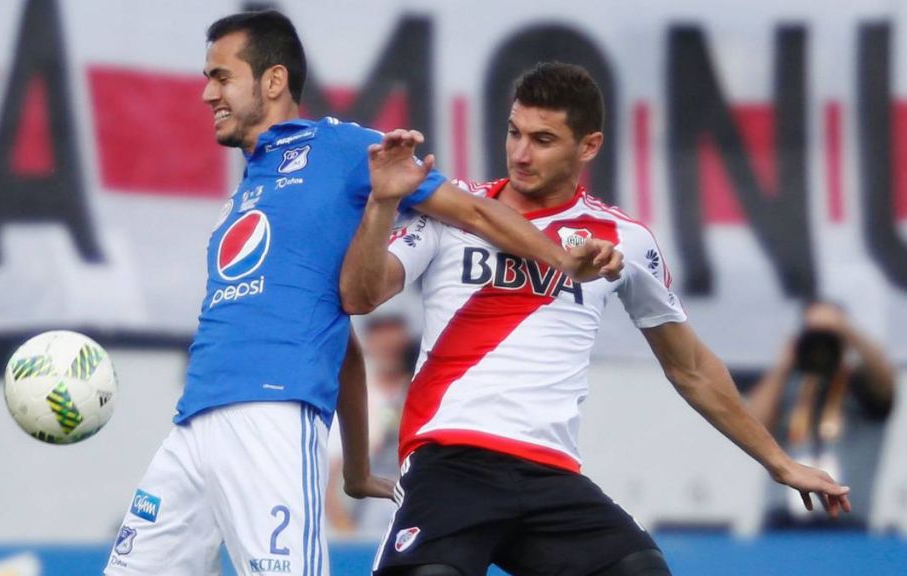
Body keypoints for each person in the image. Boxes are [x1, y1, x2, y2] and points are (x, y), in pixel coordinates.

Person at [104, 11, 619, 576]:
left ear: (273, 81)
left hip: (271, 417)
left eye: (221, 77)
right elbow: (339, 336)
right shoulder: (248, 187)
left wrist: (562, 259)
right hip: (192, 423)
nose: (207, 93)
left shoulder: (345, 147)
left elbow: (474, 212)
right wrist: (354, 469)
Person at [339, 62, 853, 576]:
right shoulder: (452, 210)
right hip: (448, 460)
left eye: (543, 140)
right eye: (515, 133)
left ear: (589, 146)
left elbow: (691, 367)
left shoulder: (624, 239)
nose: (520, 154)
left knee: (642, 571)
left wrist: (779, 462)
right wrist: (383, 203)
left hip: (548, 472)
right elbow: (362, 296)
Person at [747, 301, 896, 530]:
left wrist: (846, 331)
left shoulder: (861, 386)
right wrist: (786, 360)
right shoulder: (786, 387)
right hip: (782, 520)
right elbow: (751, 424)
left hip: (846, 520)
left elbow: (885, 383)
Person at [327, 315, 417, 537]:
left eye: (394, 330)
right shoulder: (348, 397)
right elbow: (330, 476)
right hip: (362, 520)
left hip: (414, 511)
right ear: (367, 340)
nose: (388, 341)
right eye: (380, 332)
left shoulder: (421, 392)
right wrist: (348, 535)